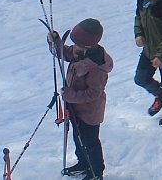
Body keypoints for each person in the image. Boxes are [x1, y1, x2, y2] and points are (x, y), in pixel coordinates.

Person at [48, 18, 113, 179]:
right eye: (74, 44)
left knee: (90, 142)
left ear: (88, 46)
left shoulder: (97, 68)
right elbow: (63, 53)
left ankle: (96, 171)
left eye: (78, 45)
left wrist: (70, 95)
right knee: (78, 139)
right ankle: (83, 162)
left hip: (90, 113)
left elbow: (93, 94)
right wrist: (55, 41)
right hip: (76, 109)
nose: (74, 48)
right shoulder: (79, 52)